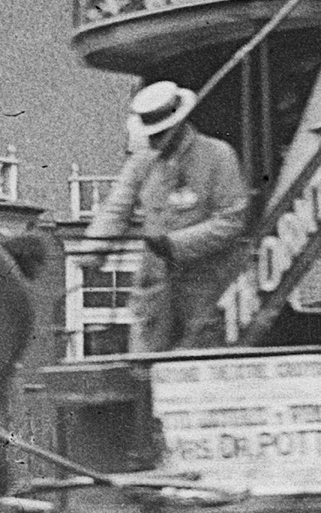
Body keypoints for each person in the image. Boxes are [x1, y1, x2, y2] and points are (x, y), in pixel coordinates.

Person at [84, 80, 249, 352]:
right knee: (145, 365)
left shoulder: (218, 156)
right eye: (150, 134)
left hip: (208, 287)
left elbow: (231, 220)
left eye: (160, 134)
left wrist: (174, 244)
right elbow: (117, 207)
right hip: (155, 288)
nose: (153, 141)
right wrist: (95, 249)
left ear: (179, 125)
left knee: (199, 361)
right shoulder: (142, 162)